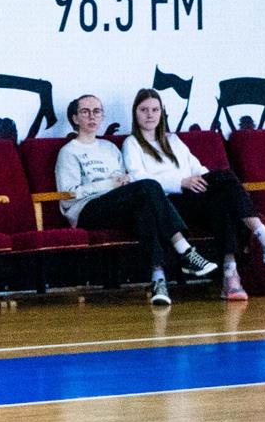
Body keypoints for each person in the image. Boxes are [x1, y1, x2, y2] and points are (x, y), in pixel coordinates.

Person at [123, 88, 265, 300]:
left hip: (192, 198)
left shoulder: (173, 140)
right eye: (144, 110)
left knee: (222, 199)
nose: (150, 115)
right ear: (135, 112)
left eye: (155, 110)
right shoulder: (132, 143)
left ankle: (230, 273)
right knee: (224, 180)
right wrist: (181, 182)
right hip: (166, 206)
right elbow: (139, 179)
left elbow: (198, 168)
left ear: (162, 113)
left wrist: (211, 184)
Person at [55, 94, 216, 305]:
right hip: (87, 210)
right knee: (149, 186)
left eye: (97, 111)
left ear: (102, 116)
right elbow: (69, 195)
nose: (92, 116)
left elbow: (127, 181)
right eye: (85, 112)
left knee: (146, 208)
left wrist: (123, 183)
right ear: (75, 118)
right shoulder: (68, 151)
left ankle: (158, 279)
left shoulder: (110, 148)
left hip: (116, 205)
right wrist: (109, 184)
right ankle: (184, 249)